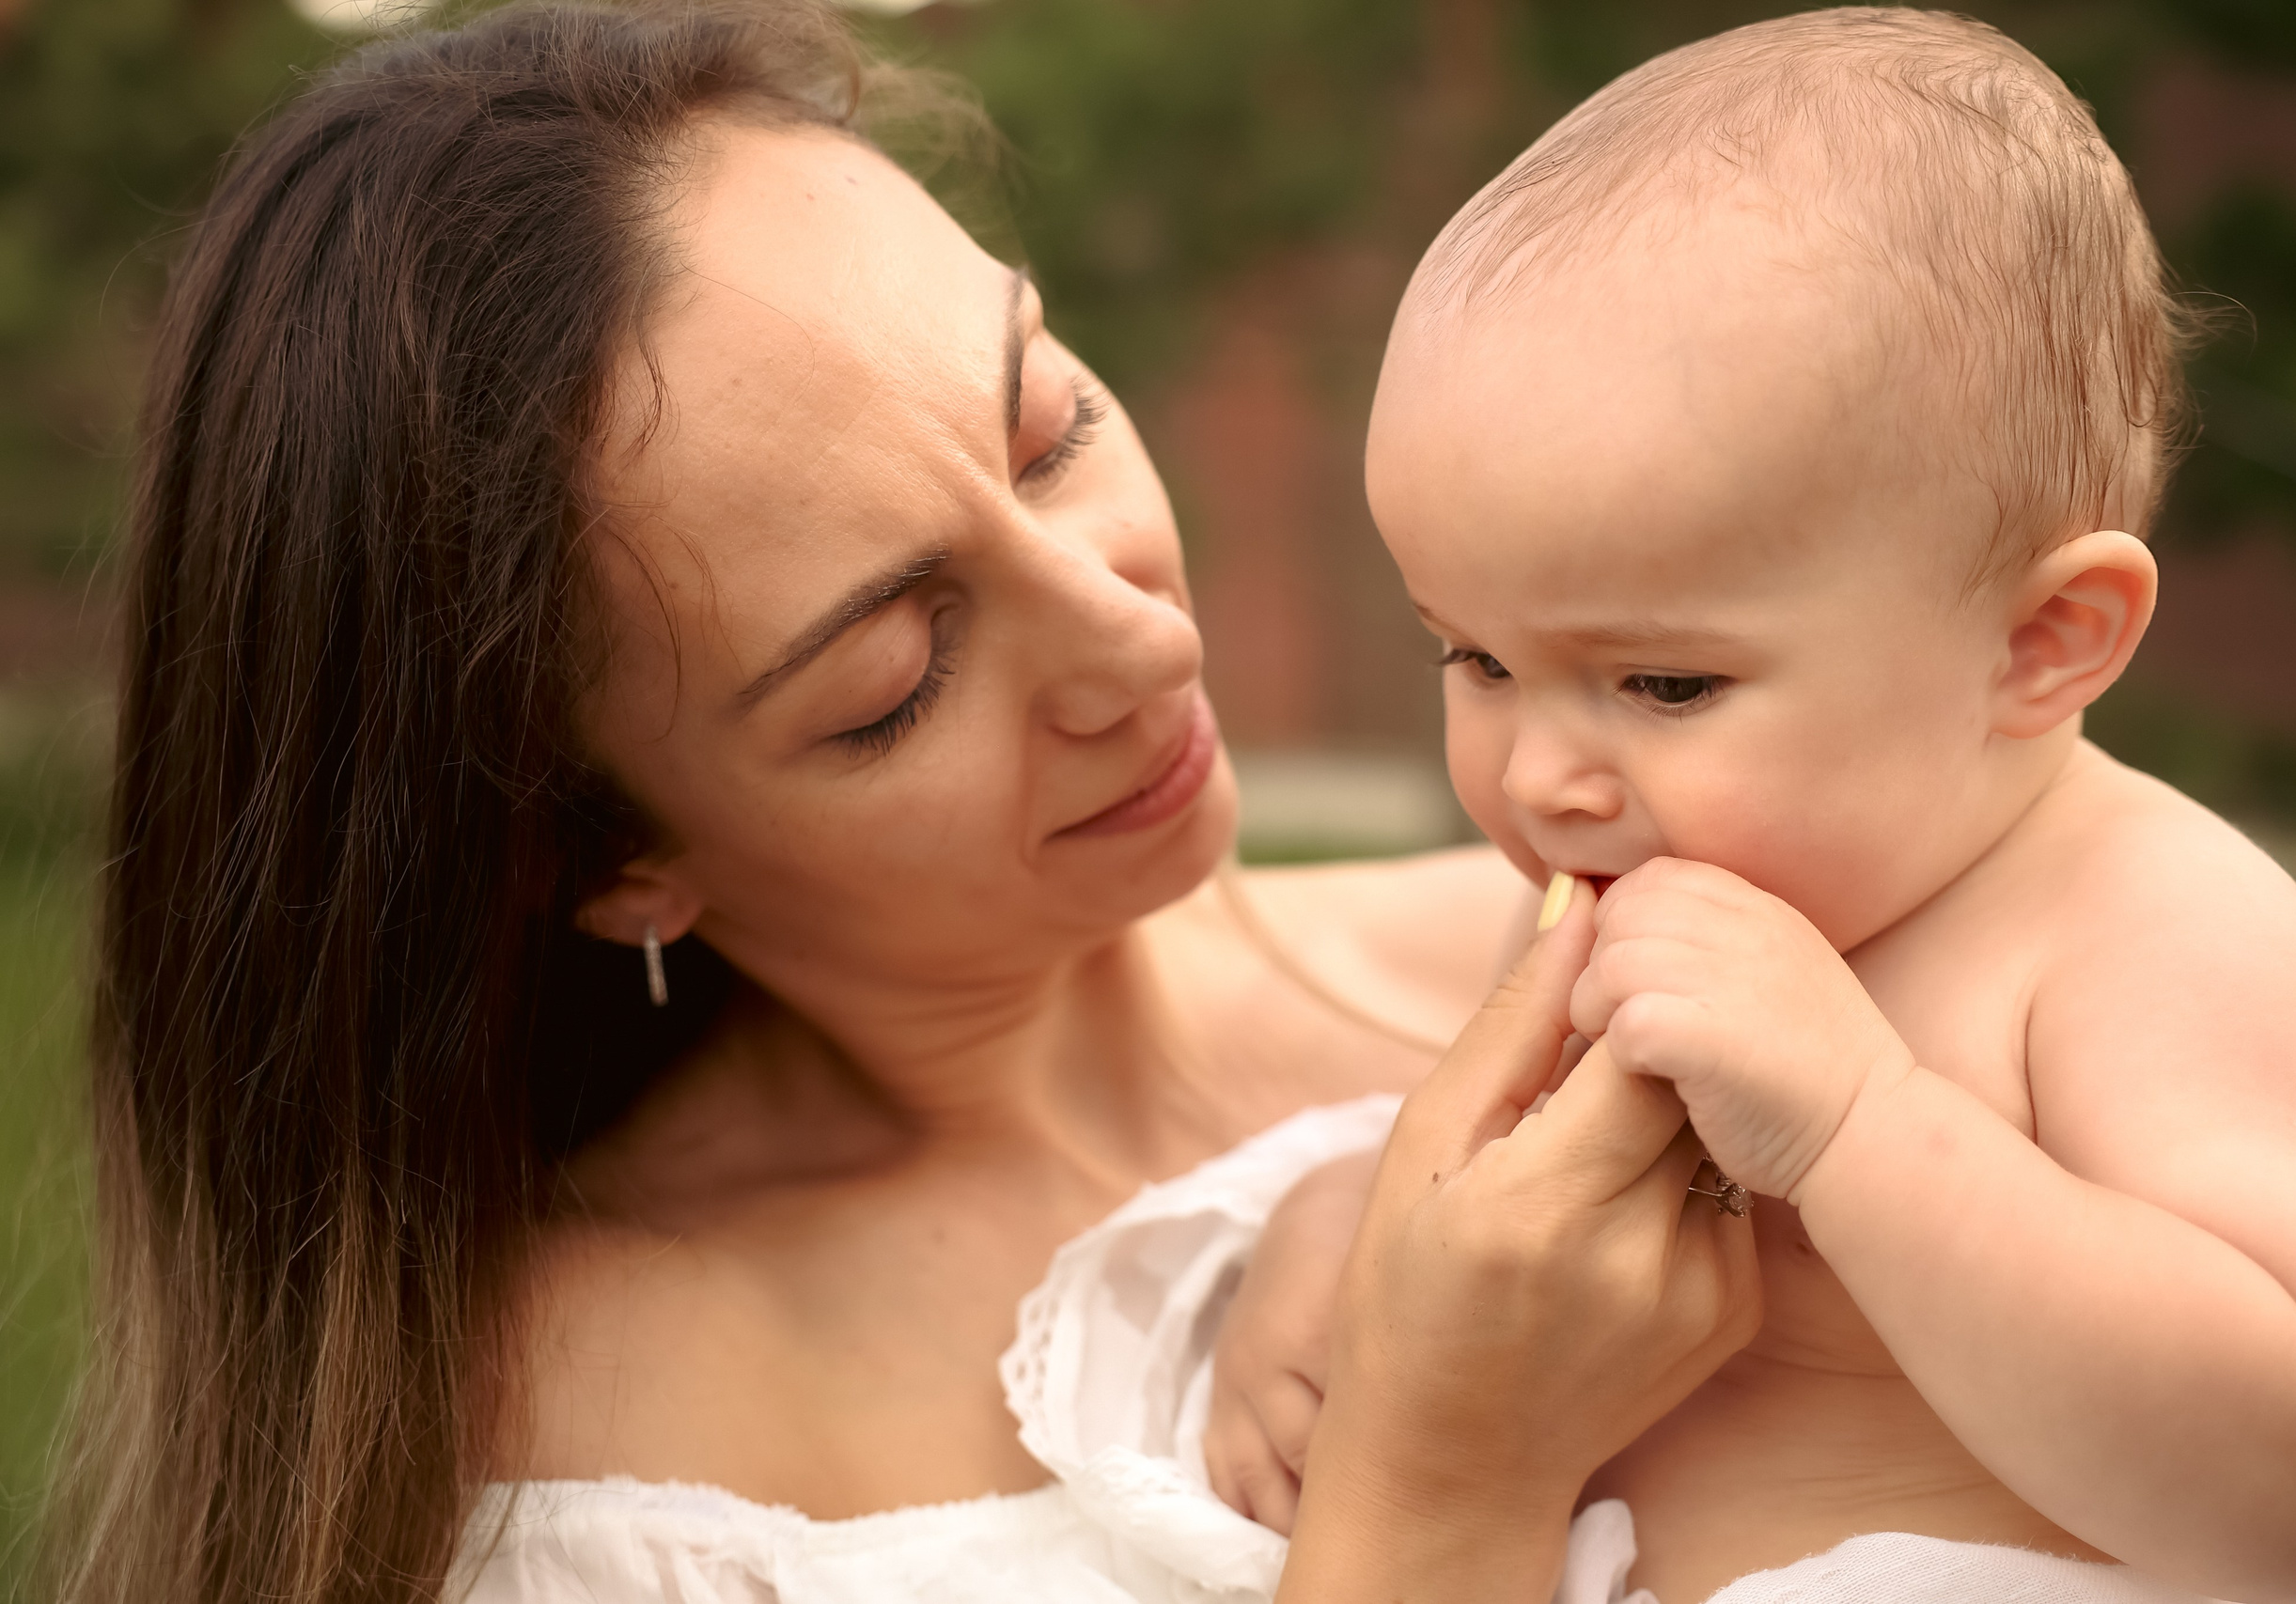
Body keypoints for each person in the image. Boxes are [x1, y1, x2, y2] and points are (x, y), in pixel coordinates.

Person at [52, 6, 1757, 1604]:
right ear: (607, 856)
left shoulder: (1662, 943)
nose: (1142, 634)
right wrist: (1441, 1492)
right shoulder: (591, 1450)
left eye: (1051, 427)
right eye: (893, 676)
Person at [1204, 11, 2296, 1603]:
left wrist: (1863, 1125)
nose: (1541, 774)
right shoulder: (1623, 855)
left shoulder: (2142, 928)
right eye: (1476, 656)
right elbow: (1496, 1172)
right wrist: (1342, 1240)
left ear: (2040, 647)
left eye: (1666, 686)